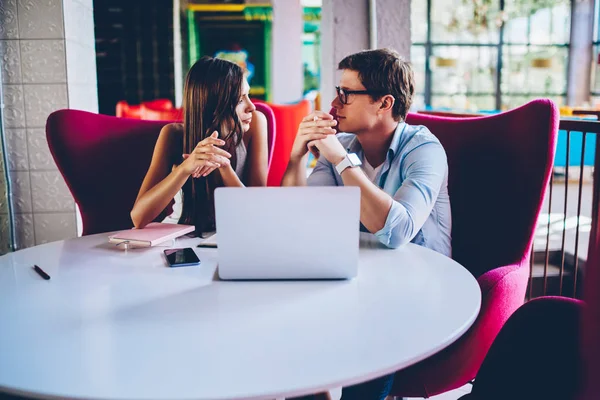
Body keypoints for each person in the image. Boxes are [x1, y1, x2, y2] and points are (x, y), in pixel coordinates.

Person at [283, 48, 452, 400]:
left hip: (417, 289)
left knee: (372, 329)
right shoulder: (341, 146)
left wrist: (343, 162)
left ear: (383, 102)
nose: (334, 102)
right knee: (288, 325)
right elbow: (302, 220)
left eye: (346, 93)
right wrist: (297, 154)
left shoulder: (424, 150)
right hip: (359, 282)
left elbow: (398, 232)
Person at [131, 56, 268, 234]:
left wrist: (224, 166)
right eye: (240, 99)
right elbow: (138, 217)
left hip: (233, 234)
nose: (252, 107)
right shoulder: (173, 134)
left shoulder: (255, 123)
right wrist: (185, 169)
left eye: (248, 95)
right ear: (215, 103)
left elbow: (257, 212)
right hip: (180, 234)